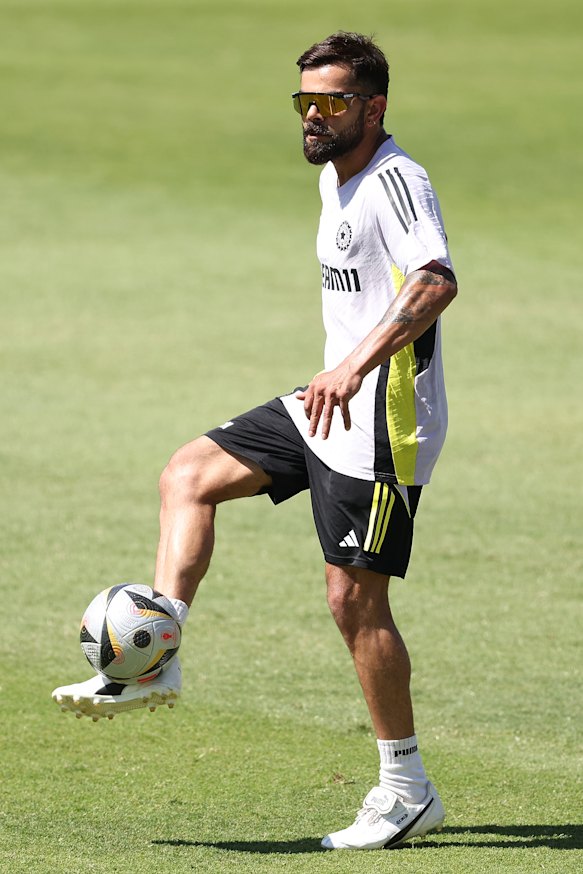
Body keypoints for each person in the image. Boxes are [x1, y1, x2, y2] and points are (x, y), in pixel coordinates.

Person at [53, 31, 457, 850]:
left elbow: (434, 281)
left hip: (383, 421)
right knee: (189, 474)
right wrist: (334, 375)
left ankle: (404, 787)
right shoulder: (333, 178)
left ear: (372, 108)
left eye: (332, 103)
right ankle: (157, 653)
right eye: (304, 102)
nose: (313, 117)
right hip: (328, 400)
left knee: (352, 601)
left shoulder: (394, 180)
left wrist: (350, 367)